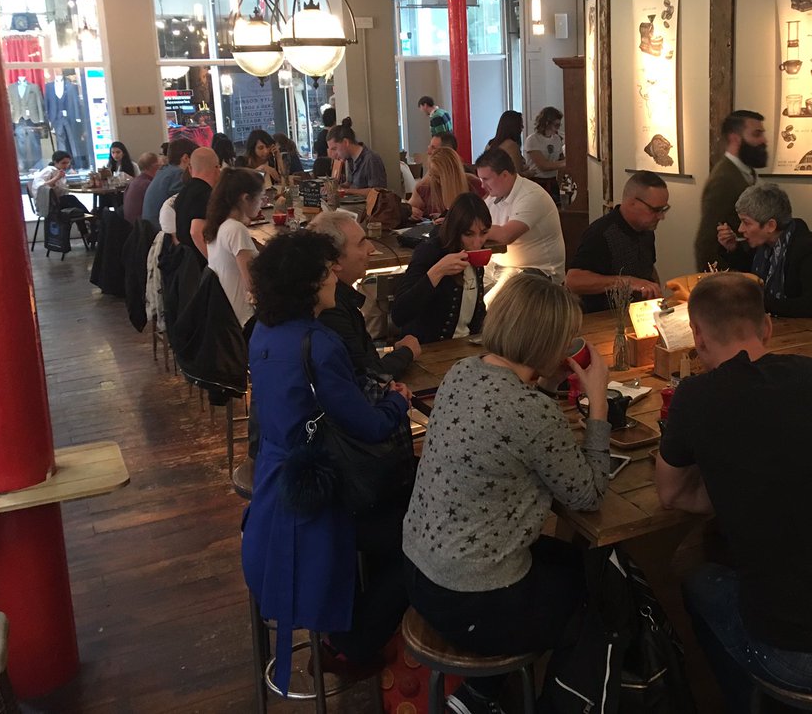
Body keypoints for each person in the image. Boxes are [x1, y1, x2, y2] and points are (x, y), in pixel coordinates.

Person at [654, 274, 812, 705]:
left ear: (696, 336)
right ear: (768, 327)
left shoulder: (696, 396)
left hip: (798, 659)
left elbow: (672, 495)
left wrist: (746, 489)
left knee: (699, 580)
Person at [403, 273, 611, 714]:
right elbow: (589, 494)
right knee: (601, 591)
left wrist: (547, 381)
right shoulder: (531, 411)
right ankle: (552, 702)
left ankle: (481, 695)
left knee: (574, 562)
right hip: (471, 602)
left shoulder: (463, 370)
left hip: (422, 574)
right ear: (548, 344)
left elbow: (508, 436)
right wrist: (599, 404)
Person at [241, 230, 411, 695]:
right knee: (416, 540)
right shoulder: (319, 343)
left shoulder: (262, 331)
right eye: (326, 269)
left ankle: (355, 627)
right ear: (309, 283)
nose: (335, 274)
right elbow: (369, 427)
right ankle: (356, 642)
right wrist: (398, 401)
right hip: (320, 499)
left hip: (274, 488)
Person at [308, 210, 421, 380]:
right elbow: (369, 375)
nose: (371, 248)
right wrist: (407, 352)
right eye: (361, 243)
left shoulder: (341, 298)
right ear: (335, 261)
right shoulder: (330, 308)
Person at [716, 183, 812, 320]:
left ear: (771, 226)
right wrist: (733, 249)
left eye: (746, 222)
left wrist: (760, 302)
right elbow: (749, 274)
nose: (740, 229)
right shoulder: (764, 245)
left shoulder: (807, 250)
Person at [391, 193, 491, 343]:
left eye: (484, 233)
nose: (477, 242)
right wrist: (438, 271)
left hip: (466, 344)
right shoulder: (429, 251)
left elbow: (476, 312)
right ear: (455, 230)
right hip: (431, 346)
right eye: (469, 234)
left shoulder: (476, 256)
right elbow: (399, 314)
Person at [566, 171, 667, 313]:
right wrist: (627, 282)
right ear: (632, 203)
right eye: (655, 210)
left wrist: (656, 292)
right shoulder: (601, 233)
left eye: (663, 209)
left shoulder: (646, 230)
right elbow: (573, 281)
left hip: (638, 314)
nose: (661, 216)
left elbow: (649, 267)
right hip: (604, 318)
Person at [475, 147, 566, 298]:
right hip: (499, 266)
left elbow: (506, 236)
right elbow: (476, 220)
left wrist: (472, 229)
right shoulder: (494, 196)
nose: (482, 185)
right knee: (467, 297)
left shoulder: (531, 196)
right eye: (480, 180)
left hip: (536, 271)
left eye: (486, 179)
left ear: (505, 175)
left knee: (490, 304)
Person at [695, 110, 768, 270]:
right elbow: (707, 240)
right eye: (756, 134)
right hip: (732, 272)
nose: (764, 140)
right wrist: (714, 280)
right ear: (735, 138)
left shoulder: (745, 172)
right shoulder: (723, 179)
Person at [203, 168, 264, 329]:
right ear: (245, 198)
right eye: (260, 198)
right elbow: (252, 284)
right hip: (243, 319)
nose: (262, 203)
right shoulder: (236, 230)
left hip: (225, 314)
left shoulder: (218, 225)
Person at [409, 147, 485, 221]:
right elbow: (411, 208)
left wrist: (451, 220)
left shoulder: (474, 184)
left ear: (452, 173)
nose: (436, 180)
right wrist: (411, 211)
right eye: (431, 175)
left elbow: (484, 216)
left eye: (438, 176)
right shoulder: (424, 188)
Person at [172, 147, 219, 260]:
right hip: (200, 263)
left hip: (186, 261)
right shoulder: (205, 195)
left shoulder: (183, 193)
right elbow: (195, 232)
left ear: (190, 168)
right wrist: (215, 263)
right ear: (217, 168)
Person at [142, 137, 198, 229]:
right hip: (161, 230)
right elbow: (185, 206)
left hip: (149, 228)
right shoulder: (178, 175)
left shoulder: (163, 172)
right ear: (186, 158)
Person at [31, 152, 89, 237]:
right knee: (71, 199)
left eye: (68, 163)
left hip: (56, 202)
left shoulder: (59, 171)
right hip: (48, 204)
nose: (66, 165)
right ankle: (91, 220)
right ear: (55, 162)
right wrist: (57, 178)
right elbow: (41, 187)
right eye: (63, 163)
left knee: (77, 210)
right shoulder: (48, 171)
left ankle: (86, 232)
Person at [328, 124, 388, 193]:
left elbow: (377, 191)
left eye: (335, 149)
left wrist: (346, 191)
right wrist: (334, 187)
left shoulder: (371, 159)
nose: (334, 154)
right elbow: (350, 183)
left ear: (346, 142)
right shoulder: (350, 158)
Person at [524, 106, 566, 201]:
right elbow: (543, 166)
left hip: (553, 181)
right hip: (537, 181)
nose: (558, 128)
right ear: (547, 123)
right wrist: (566, 162)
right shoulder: (533, 140)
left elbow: (561, 159)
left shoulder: (557, 139)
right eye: (556, 125)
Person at [122, 151, 161, 223]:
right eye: (159, 166)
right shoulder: (148, 185)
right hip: (141, 225)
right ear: (154, 166)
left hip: (129, 222)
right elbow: (157, 207)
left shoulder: (134, 182)